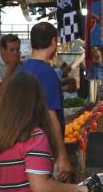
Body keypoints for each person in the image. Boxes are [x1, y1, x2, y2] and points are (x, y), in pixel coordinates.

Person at [20, 21, 73, 180]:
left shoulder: (21, 70)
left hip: (23, 144)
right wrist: (62, 156)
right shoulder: (47, 72)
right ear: (53, 42)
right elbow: (51, 117)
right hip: (42, 146)